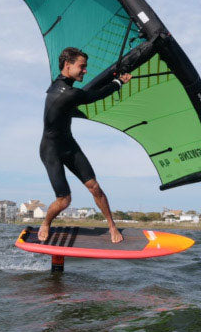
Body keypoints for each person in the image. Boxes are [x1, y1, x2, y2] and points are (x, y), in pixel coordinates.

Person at [38, 47, 132, 243]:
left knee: (95, 187)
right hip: (51, 150)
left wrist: (112, 76)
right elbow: (94, 95)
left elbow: (87, 89)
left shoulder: (61, 84)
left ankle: (112, 225)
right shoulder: (67, 94)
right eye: (82, 66)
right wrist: (118, 82)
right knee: (64, 200)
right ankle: (46, 222)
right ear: (67, 65)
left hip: (69, 145)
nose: (85, 70)